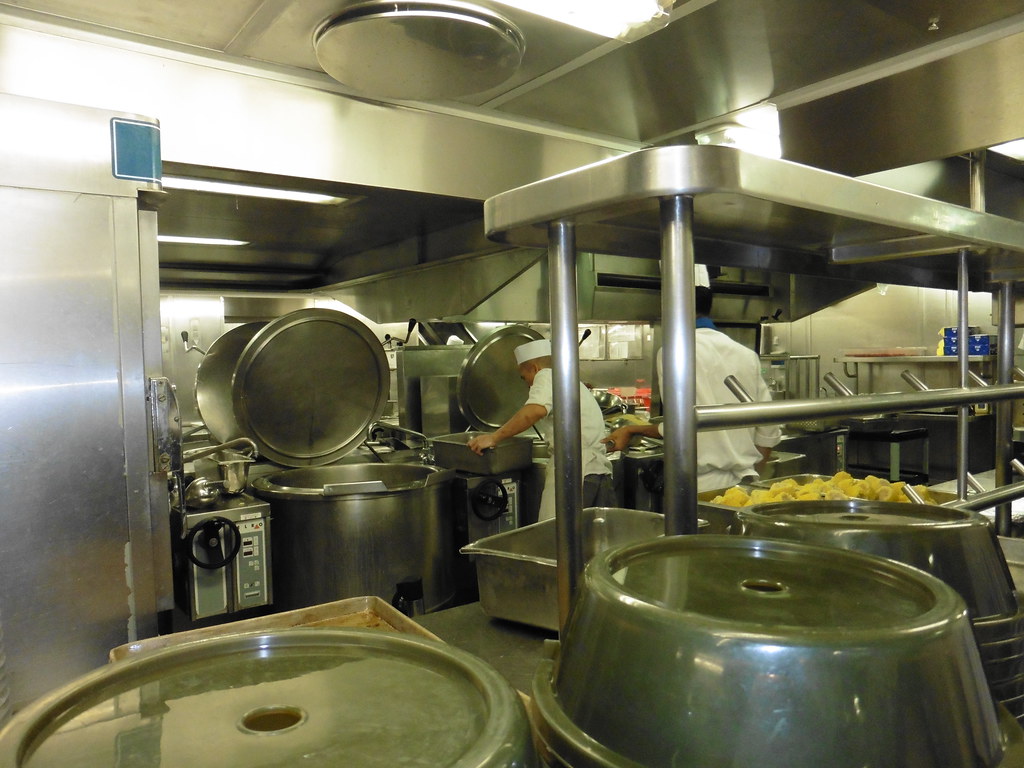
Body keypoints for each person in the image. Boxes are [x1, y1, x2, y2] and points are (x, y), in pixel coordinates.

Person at [605, 283, 781, 491]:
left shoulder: (673, 353)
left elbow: (678, 425)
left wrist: (631, 429)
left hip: (699, 485)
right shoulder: (746, 355)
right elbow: (769, 429)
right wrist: (752, 475)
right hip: (745, 483)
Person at [468, 338, 615, 521]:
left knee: (554, 533)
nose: (527, 384)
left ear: (534, 368)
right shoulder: (567, 380)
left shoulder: (546, 376)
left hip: (575, 471)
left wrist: (494, 437)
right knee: (592, 533)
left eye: (524, 377)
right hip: (597, 471)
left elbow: (533, 412)